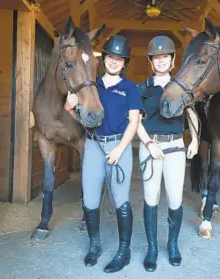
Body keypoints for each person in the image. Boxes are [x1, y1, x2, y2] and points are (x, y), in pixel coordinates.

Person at [64, 35, 142, 274]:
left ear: (124, 62)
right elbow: (82, 117)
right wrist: (69, 107)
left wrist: (120, 149)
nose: (114, 62)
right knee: (89, 198)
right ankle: (95, 244)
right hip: (94, 146)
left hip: (119, 146)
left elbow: (134, 121)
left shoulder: (130, 88)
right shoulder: (92, 85)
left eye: (119, 59)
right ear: (104, 58)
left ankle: (124, 251)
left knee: (120, 199)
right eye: (111, 57)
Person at [136, 36, 199, 272]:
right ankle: (152, 248)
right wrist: (149, 143)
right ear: (151, 61)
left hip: (175, 147)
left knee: (175, 199)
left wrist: (194, 139)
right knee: (150, 199)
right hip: (150, 146)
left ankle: (172, 244)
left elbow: (192, 114)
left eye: (165, 57)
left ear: (172, 60)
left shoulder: (181, 86)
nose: (161, 61)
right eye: (157, 57)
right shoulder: (142, 89)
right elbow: (135, 120)